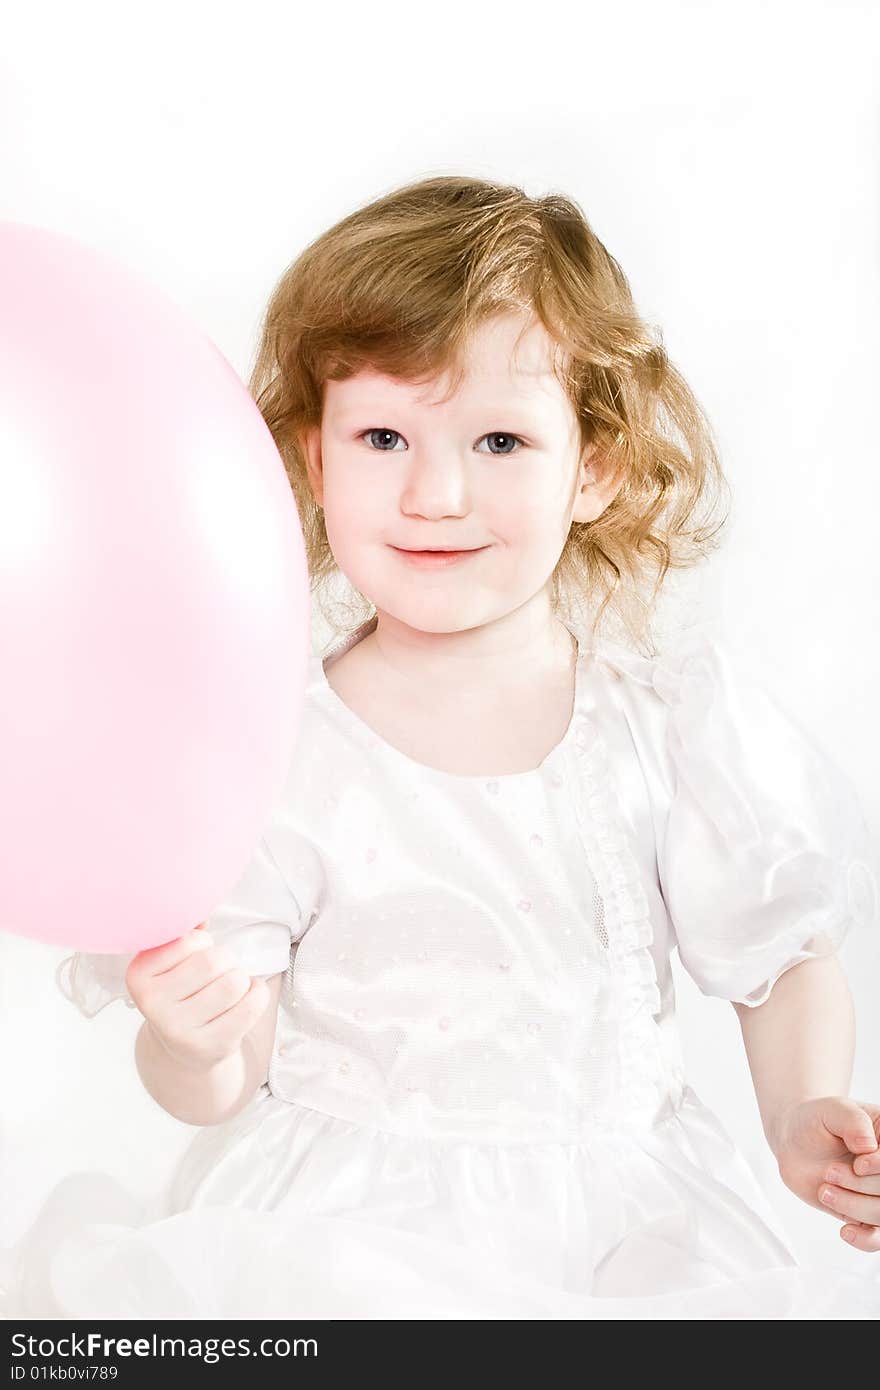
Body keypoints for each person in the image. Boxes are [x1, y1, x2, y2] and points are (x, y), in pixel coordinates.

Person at [3, 175, 880, 1320]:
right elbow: (220, 1077)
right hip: (347, 1226)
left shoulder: (667, 730)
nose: (434, 491)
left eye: (501, 439)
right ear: (313, 458)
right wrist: (191, 1040)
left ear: (596, 466)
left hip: (629, 1226)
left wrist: (799, 1106)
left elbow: (776, 957)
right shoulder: (273, 746)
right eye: (381, 434)